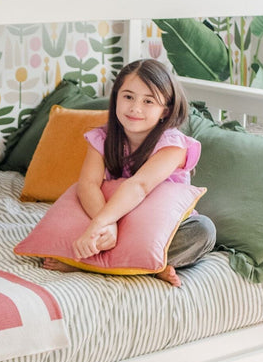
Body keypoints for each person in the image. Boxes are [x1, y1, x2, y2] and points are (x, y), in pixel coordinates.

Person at [43, 59, 216, 286]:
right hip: (115, 216)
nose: (135, 108)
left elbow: (138, 186)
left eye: (148, 101)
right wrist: (107, 224)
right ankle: (142, 265)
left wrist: (99, 226)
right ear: (115, 98)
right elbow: (88, 185)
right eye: (128, 97)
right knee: (66, 218)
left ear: (165, 110)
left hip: (156, 227)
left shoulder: (174, 145)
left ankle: (91, 263)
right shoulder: (101, 139)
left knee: (203, 231)